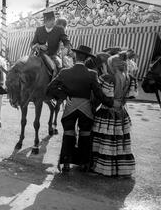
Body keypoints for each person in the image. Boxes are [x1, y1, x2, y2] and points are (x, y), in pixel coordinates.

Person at [47, 45, 114, 173]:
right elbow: (99, 94)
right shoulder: (92, 74)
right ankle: (84, 163)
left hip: (70, 107)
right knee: (85, 134)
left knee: (68, 134)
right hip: (86, 108)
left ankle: (66, 163)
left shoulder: (64, 72)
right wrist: (110, 103)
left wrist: (64, 95)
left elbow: (50, 89)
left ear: (75, 56)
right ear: (87, 58)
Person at [91, 52, 138, 177]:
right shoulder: (129, 78)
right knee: (119, 141)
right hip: (121, 112)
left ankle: (104, 168)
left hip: (107, 111)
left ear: (112, 65)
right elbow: (129, 96)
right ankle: (120, 170)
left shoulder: (108, 78)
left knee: (105, 141)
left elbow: (103, 96)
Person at [31, 9, 72, 77]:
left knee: (60, 68)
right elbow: (32, 43)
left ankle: (58, 84)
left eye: (53, 20)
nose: (52, 22)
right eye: (49, 20)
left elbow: (67, 41)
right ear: (45, 22)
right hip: (39, 56)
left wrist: (66, 48)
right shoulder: (39, 29)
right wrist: (38, 46)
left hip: (53, 56)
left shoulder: (59, 29)